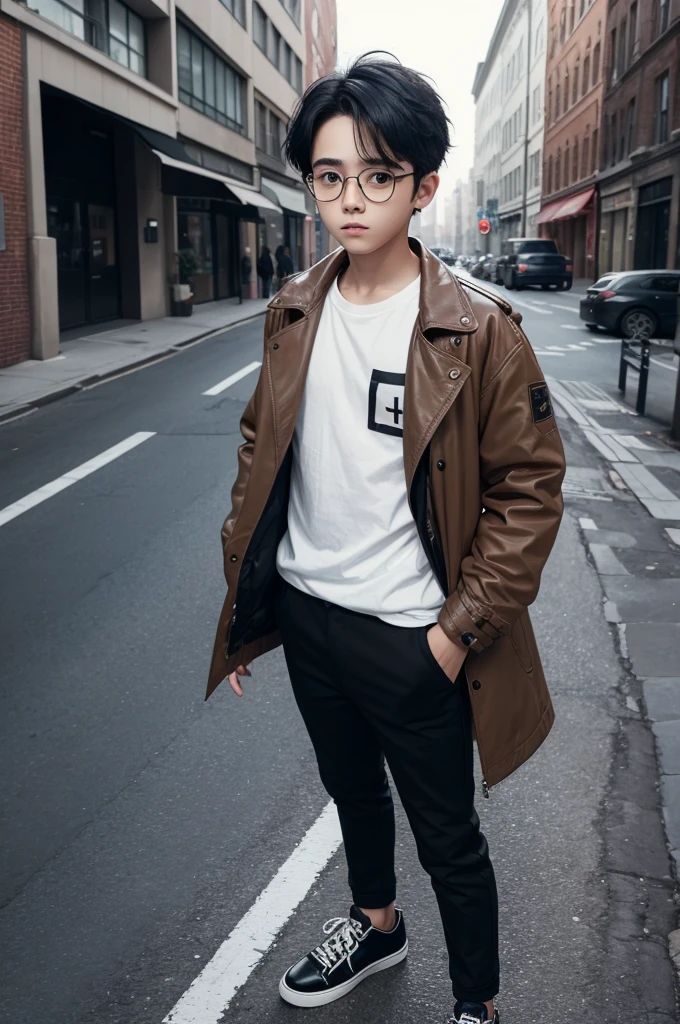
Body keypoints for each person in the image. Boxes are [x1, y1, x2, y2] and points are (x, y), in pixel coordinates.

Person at [205, 52, 566, 1024]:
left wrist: (453, 634)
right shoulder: (293, 308)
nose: (349, 200)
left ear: (422, 186)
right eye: (329, 177)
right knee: (349, 793)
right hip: (312, 619)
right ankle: (374, 923)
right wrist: (245, 595)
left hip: (418, 634)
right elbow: (258, 448)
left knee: (448, 834)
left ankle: (475, 1004)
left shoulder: (477, 328)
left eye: (376, 176)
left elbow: (528, 491)